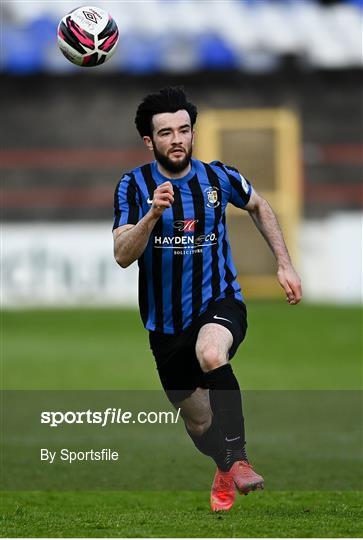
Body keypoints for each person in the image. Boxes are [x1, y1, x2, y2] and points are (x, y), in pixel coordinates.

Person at [113, 87, 302, 512]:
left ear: (193, 132)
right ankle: (223, 463)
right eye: (166, 133)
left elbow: (259, 205)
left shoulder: (219, 177)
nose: (177, 139)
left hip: (220, 301)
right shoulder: (133, 185)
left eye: (184, 130)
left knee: (212, 352)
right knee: (199, 423)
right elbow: (123, 256)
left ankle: (239, 459)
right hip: (165, 325)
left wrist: (284, 263)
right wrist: (152, 215)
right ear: (150, 141)